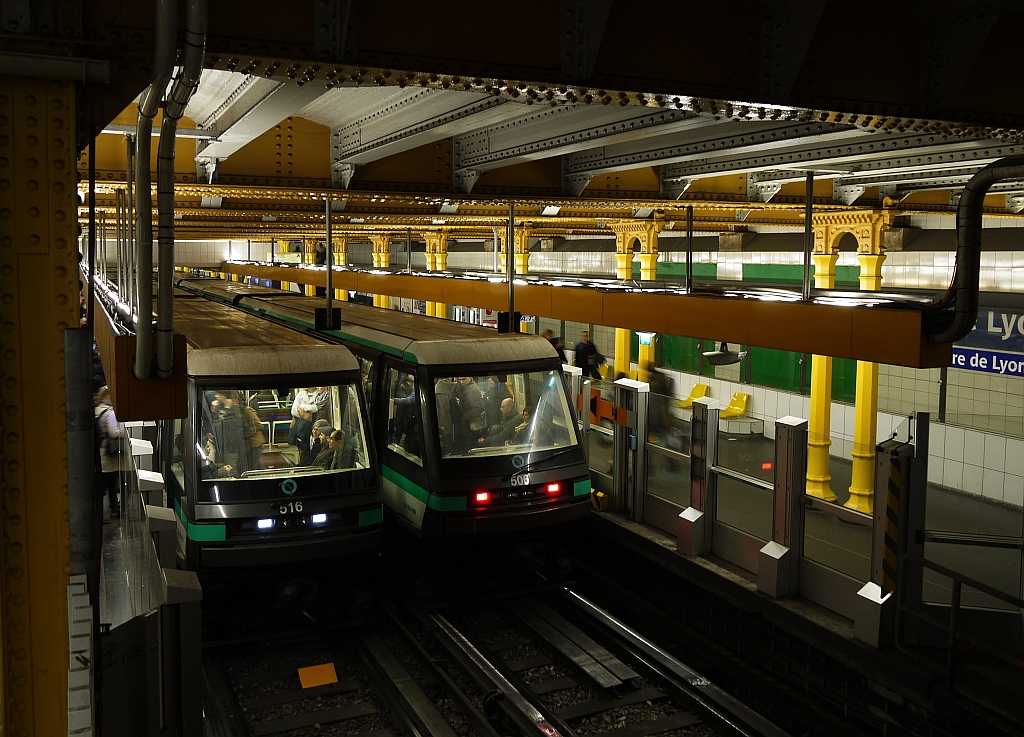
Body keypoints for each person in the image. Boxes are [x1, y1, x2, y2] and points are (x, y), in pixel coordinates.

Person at [94, 386, 124, 520]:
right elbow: (114, 432)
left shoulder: (98, 409)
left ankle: (108, 510)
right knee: (110, 483)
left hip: (100, 452)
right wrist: (123, 432)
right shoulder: (109, 413)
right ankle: (112, 510)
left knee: (106, 483)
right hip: (108, 454)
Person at [454, 376, 485, 453]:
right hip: (468, 423)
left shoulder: (472, 389)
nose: (462, 382)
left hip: (471, 423)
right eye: (460, 380)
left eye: (464, 379)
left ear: (470, 377)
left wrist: (465, 417)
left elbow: (478, 408)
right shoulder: (465, 388)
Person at [289, 387, 319, 456]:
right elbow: (294, 411)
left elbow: (317, 408)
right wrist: (306, 414)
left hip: (313, 424)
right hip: (300, 424)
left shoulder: (318, 395)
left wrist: (302, 407)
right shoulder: (300, 394)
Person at [241, 397, 266, 471]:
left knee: (254, 465)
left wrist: (247, 434)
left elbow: (259, 425)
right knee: (254, 464)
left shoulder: (248, 410)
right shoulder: (242, 413)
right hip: (251, 443)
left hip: (256, 442)